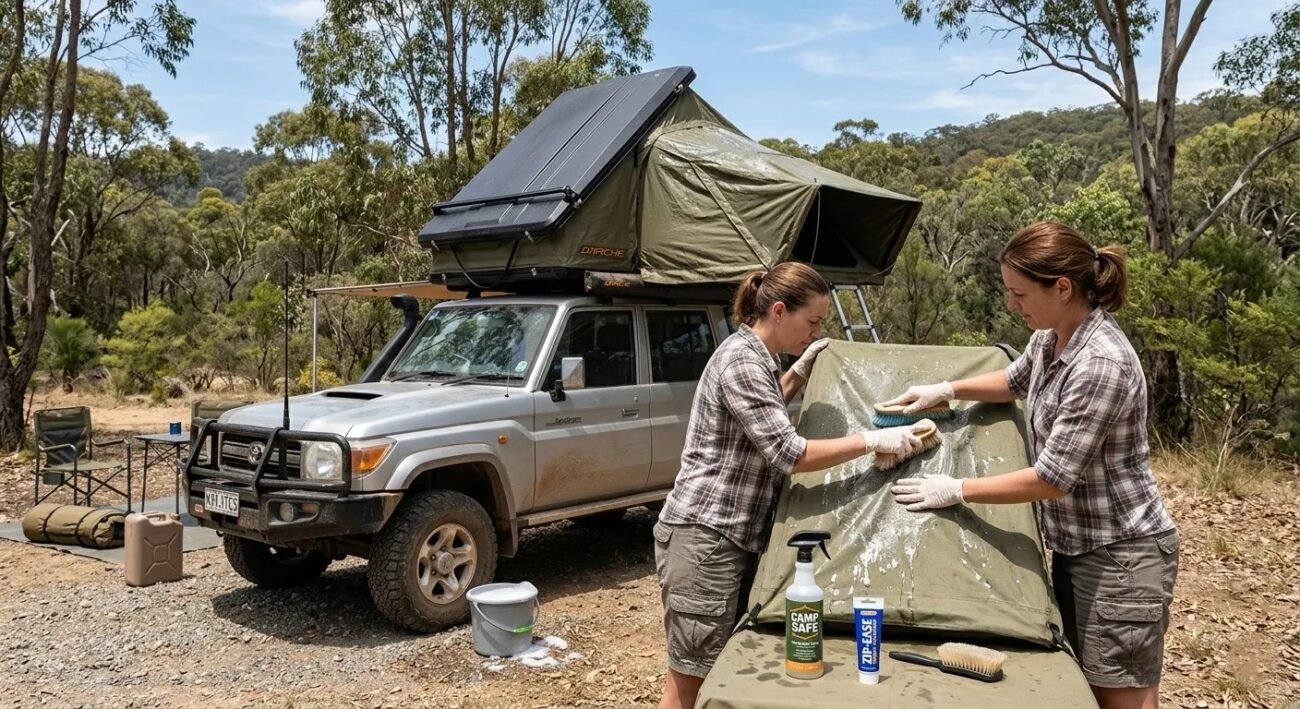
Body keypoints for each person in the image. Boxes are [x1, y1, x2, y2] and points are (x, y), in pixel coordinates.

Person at [883, 222, 1178, 709]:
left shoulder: (1099, 362)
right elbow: (1013, 380)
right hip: (1076, 546)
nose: (1012, 304)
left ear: (1062, 288)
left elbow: (1053, 479)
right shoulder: (1052, 337)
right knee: (1088, 681)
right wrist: (948, 389)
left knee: (1120, 694)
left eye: (1020, 293)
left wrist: (956, 489)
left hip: (1122, 554)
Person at [654, 262, 923, 709]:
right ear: (779, 311)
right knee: (690, 683)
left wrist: (797, 373)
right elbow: (788, 452)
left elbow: (761, 415)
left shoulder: (757, 357)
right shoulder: (741, 360)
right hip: (704, 539)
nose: (816, 332)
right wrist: (873, 439)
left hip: (724, 538)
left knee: (720, 673)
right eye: (813, 322)